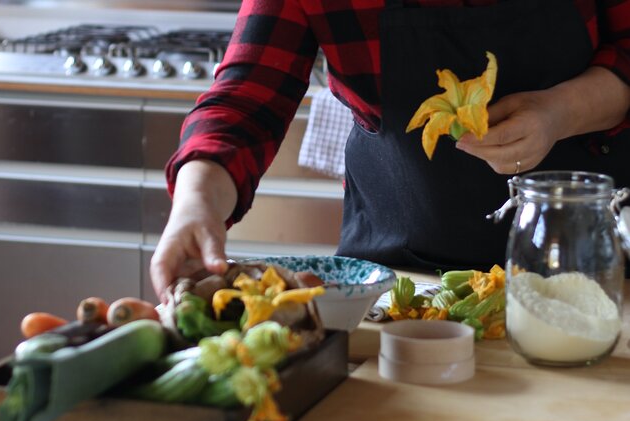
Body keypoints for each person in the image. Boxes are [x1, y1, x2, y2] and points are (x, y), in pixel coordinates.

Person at [150, 0, 630, 302]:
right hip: (402, 282)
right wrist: (196, 205)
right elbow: (246, 98)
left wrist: (559, 112)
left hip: (594, 278)